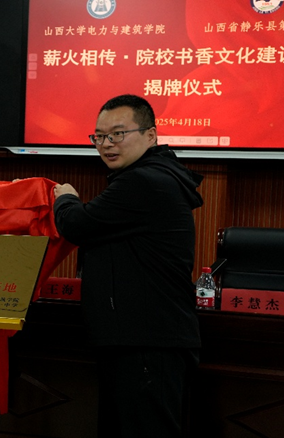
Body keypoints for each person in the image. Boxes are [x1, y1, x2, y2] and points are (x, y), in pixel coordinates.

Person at [52, 95, 204, 438]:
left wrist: (66, 198)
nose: (107, 144)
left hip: (147, 342)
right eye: (99, 136)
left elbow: (77, 224)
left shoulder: (145, 181)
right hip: (138, 339)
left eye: (118, 134)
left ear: (150, 135)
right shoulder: (149, 177)